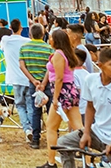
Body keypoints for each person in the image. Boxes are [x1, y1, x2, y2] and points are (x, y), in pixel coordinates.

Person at [56, 47, 111, 168]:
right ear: (100, 65)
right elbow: (90, 106)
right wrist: (86, 132)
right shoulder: (90, 80)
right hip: (97, 132)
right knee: (63, 143)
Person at [41, 29, 83, 168]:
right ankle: (87, 161)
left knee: (51, 127)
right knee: (79, 127)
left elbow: (59, 78)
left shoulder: (59, 54)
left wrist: (55, 98)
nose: (49, 39)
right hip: (71, 91)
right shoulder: (68, 53)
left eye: (51, 37)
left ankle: (51, 161)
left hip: (62, 92)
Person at [18, 23, 54, 150]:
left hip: (34, 85)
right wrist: (44, 83)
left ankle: (36, 140)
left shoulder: (24, 48)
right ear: (43, 34)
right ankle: (53, 137)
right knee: (51, 111)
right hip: (48, 84)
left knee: (35, 112)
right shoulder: (49, 49)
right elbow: (51, 68)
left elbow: (22, 66)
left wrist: (33, 81)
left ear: (30, 34)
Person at [0, 18, 31, 142]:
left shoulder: (6, 40)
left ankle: (27, 129)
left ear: (10, 28)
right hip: (27, 77)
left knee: (20, 105)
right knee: (29, 105)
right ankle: (32, 129)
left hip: (15, 78)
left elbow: (1, 47)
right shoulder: (27, 41)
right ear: (21, 28)